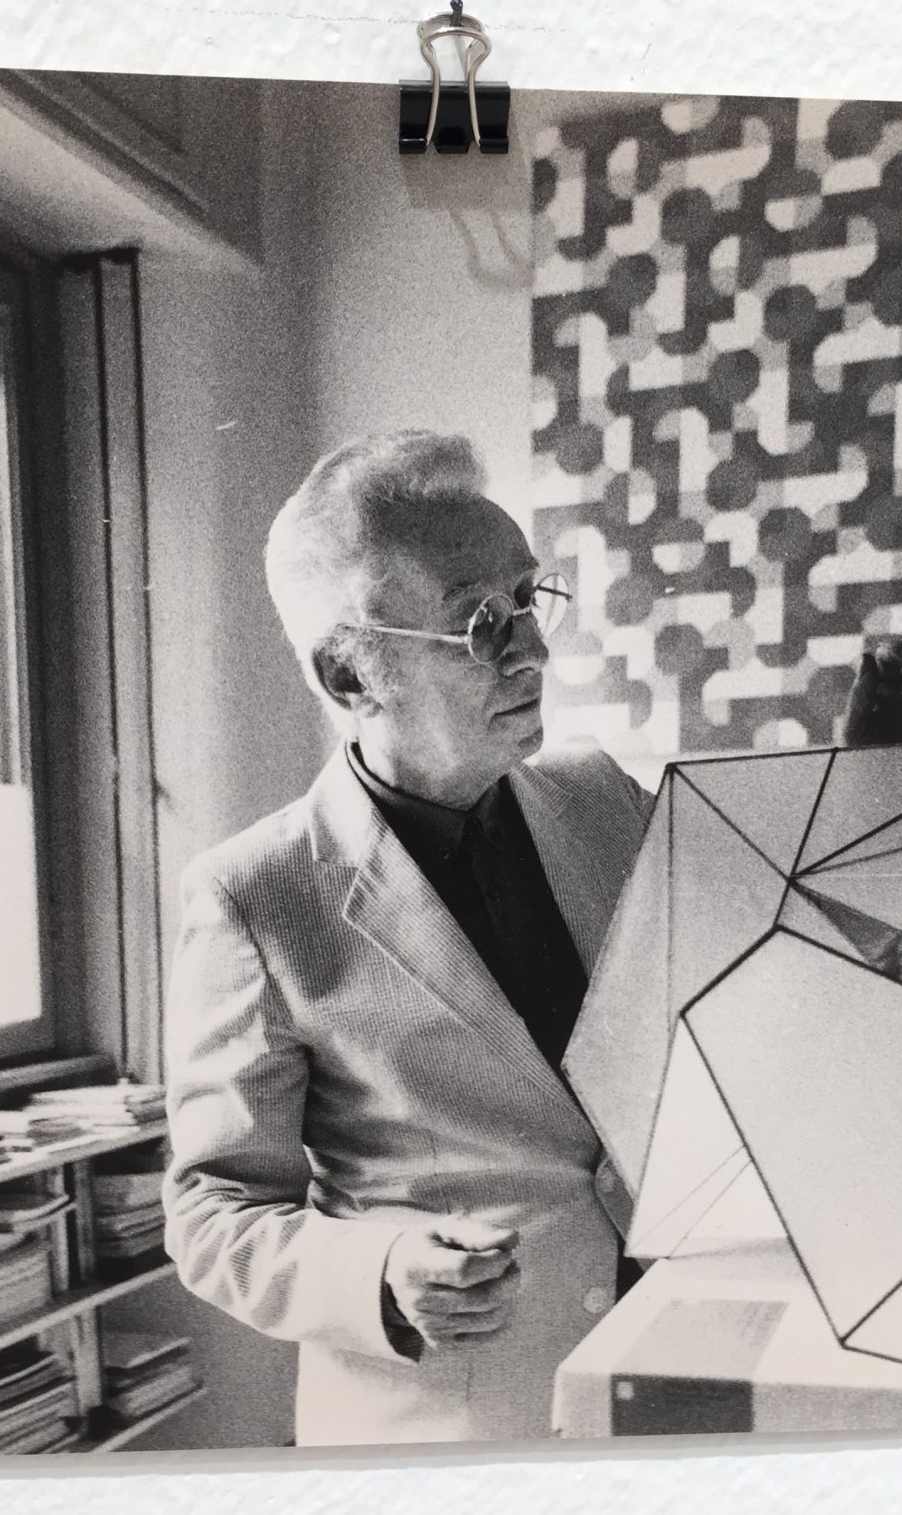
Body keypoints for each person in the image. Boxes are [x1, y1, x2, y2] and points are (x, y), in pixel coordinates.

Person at [161, 430, 653, 1446]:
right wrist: (379, 1274)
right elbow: (211, 1213)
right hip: (448, 1424)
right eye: (478, 622)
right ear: (350, 675)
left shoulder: (605, 800)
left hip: (659, 1368)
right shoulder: (252, 894)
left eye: (527, 599)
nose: (530, 649)